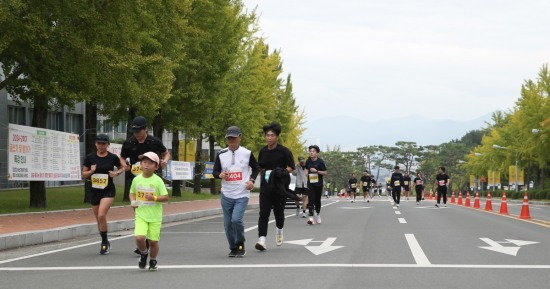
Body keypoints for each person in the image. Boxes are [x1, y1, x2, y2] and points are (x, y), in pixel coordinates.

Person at [120, 116, 170, 255]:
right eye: (134, 131)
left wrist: (164, 161)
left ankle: (148, 239)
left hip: (152, 179)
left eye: (138, 131)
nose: (136, 133)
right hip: (136, 178)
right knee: (139, 208)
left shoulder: (154, 141)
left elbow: (166, 152)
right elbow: (122, 157)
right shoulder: (129, 142)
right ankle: (142, 238)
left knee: (150, 205)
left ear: (145, 129)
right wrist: (124, 165)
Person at [213, 126, 259, 258]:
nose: (231, 140)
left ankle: (240, 244)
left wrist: (252, 180)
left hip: (242, 193)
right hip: (226, 194)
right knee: (228, 224)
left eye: (234, 137)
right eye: (229, 138)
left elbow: (255, 168)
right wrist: (220, 175)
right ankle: (233, 247)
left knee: (236, 220)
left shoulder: (247, 153)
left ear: (240, 137)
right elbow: (215, 172)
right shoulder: (221, 154)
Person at [82, 134, 125, 255]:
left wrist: (116, 173)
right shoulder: (90, 157)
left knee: (101, 215)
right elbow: (84, 174)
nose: (101, 146)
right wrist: (91, 171)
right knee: (98, 219)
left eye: (104, 144)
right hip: (94, 190)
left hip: (108, 189)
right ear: (95, 144)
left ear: (108, 145)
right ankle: (105, 239)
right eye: (99, 143)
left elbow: (123, 167)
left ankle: (104, 243)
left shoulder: (112, 157)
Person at [255, 122, 295, 251]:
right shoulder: (263, 151)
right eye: (267, 135)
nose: (269, 138)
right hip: (266, 187)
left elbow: (291, 167)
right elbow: (260, 166)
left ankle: (279, 230)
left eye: (272, 135)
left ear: (277, 136)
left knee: (279, 213)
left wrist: (282, 172)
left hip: (279, 187)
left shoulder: (284, 151)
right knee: (263, 213)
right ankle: (261, 240)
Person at [129, 152, 169, 271]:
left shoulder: (158, 181)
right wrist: (133, 202)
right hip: (141, 214)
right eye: (144, 162)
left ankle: (153, 260)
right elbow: (132, 193)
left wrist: (154, 198)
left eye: (150, 163)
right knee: (139, 238)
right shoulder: (136, 180)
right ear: (140, 164)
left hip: (155, 217)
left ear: (156, 166)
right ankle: (143, 253)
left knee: (153, 241)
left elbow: (165, 197)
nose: (146, 165)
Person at [305, 145, 328, 225]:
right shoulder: (308, 161)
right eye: (310, 151)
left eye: (313, 151)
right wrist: (306, 173)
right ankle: (310, 217)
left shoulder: (320, 162)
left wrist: (316, 171)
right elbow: (306, 169)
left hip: (318, 184)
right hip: (310, 183)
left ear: (317, 153)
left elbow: (325, 173)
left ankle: (317, 214)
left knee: (317, 201)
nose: (311, 152)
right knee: (310, 200)